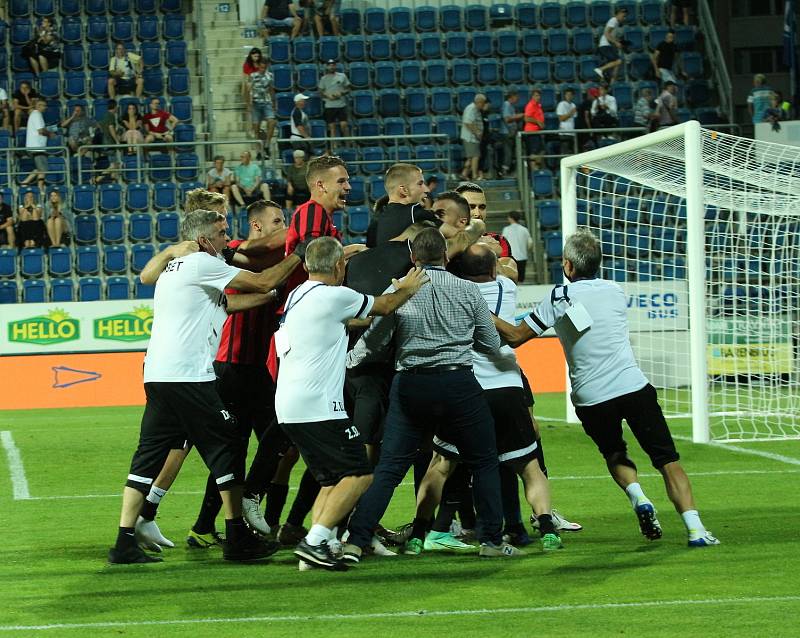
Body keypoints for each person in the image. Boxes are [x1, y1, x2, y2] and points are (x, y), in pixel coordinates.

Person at [494, 229, 720, 548]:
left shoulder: (559, 297)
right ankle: (696, 530)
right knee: (667, 460)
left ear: (567, 265)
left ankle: (638, 495)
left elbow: (516, 336)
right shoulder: (615, 290)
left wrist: (482, 312)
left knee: (615, 453)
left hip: (592, 397)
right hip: (633, 387)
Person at [108, 208, 304, 564]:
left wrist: (276, 298)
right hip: (190, 376)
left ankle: (124, 541)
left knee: (147, 457)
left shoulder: (176, 268)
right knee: (228, 446)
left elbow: (229, 303)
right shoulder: (202, 263)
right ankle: (236, 538)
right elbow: (260, 281)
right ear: (202, 240)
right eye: (220, 233)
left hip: (158, 375)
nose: (226, 240)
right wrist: (300, 254)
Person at [342, 228, 523, 562]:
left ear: (413, 257)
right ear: (444, 255)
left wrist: (351, 361)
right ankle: (491, 541)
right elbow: (489, 342)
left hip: (411, 384)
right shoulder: (468, 290)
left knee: (390, 468)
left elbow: (376, 338)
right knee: (483, 460)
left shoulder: (399, 290)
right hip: (458, 384)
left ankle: (356, 541)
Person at [276, 237, 429, 570]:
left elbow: (349, 319)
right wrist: (408, 286)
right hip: (319, 406)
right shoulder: (336, 295)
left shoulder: (298, 294)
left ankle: (323, 547)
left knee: (332, 481)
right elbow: (385, 306)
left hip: (289, 406)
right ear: (338, 267)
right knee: (360, 474)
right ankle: (313, 541)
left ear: (305, 266)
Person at [405, 244, 562, 554]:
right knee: (529, 467)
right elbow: (508, 267)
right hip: (506, 387)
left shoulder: (453, 290)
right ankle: (547, 529)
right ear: (492, 270)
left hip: (467, 387)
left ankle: (418, 533)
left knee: (441, 464)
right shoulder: (506, 285)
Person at [20, 100, 55, 191]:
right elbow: (41, 131)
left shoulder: (35, 115)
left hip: (37, 147)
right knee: (43, 168)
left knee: (39, 168)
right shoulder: (37, 115)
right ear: (38, 106)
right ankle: (40, 187)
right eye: (44, 105)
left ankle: (25, 183)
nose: (46, 108)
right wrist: (50, 134)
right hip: (37, 147)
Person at [248, 58, 277, 157]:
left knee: (272, 122)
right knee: (256, 128)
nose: (262, 69)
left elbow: (271, 89)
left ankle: (267, 145)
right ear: (258, 66)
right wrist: (249, 104)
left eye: (264, 67)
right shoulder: (252, 76)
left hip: (266, 102)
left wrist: (274, 103)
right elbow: (249, 90)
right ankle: (259, 151)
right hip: (256, 103)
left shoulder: (270, 76)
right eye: (261, 67)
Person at [318, 60, 350, 147]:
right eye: (330, 65)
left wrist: (341, 93)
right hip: (329, 106)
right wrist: (327, 95)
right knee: (332, 127)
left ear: (335, 66)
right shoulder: (323, 79)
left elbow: (348, 89)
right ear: (327, 67)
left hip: (341, 105)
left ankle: (348, 144)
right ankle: (334, 146)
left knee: (344, 125)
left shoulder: (342, 76)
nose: (331, 67)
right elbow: (320, 92)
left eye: (333, 65)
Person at [593, 7, 626, 83]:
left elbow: (611, 35)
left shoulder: (616, 23)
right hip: (605, 45)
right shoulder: (613, 21)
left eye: (625, 16)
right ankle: (600, 69)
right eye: (623, 16)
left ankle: (611, 80)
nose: (624, 18)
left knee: (616, 64)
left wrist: (618, 42)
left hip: (608, 46)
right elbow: (606, 33)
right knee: (619, 61)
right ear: (618, 14)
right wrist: (616, 43)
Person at [460, 93, 486, 181]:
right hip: (470, 137)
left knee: (471, 158)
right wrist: (477, 133)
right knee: (475, 156)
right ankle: (474, 176)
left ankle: (464, 174)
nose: (483, 105)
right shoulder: (471, 109)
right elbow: (468, 122)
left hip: (473, 138)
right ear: (478, 102)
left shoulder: (475, 109)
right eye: (482, 103)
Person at [502, 211, 532, 283]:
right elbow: (530, 243)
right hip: (522, 257)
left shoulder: (506, 230)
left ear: (510, 218)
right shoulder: (524, 230)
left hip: (511, 257)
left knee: (511, 279)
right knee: (521, 279)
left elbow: (503, 243)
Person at [499, 91, 524, 176]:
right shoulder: (507, 104)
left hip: (511, 132)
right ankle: (504, 171)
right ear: (512, 97)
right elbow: (507, 119)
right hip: (507, 132)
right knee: (508, 152)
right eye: (516, 97)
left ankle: (508, 170)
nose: (518, 99)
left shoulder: (511, 106)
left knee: (511, 152)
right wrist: (519, 116)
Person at [523, 89, 544, 171]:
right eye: (536, 95)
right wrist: (538, 122)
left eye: (539, 95)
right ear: (532, 96)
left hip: (537, 131)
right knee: (534, 152)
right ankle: (533, 170)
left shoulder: (538, 105)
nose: (538, 97)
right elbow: (526, 118)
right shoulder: (530, 105)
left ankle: (536, 167)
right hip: (531, 132)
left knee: (541, 150)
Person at [556, 88, 578, 155]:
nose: (569, 96)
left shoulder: (573, 105)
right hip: (564, 132)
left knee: (571, 152)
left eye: (570, 95)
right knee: (565, 153)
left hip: (572, 132)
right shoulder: (561, 104)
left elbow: (574, 117)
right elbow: (561, 119)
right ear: (565, 95)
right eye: (567, 95)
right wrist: (570, 113)